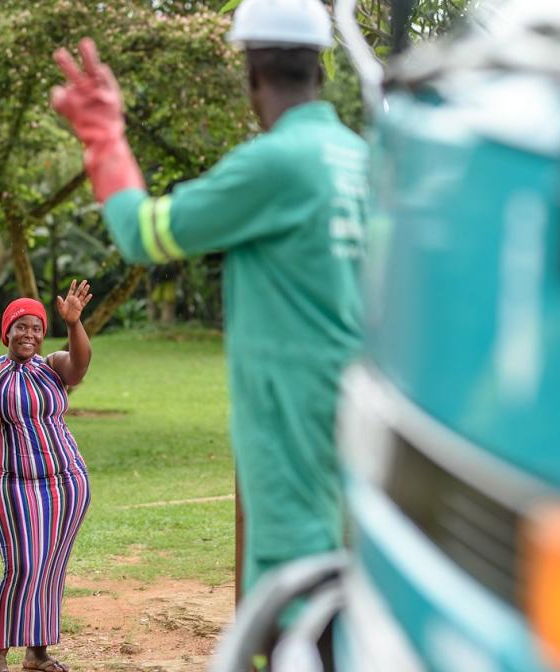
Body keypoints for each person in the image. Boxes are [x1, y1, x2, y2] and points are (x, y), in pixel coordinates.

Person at [50, 0, 367, 595]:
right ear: (320, 67)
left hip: (293, 422)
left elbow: (141, 234)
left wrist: (103, 136)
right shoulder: (360, 159)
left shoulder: (275, 165)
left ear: (251, 73)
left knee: (294, 609)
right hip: (360, 414)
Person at [0, 281, 95, 672]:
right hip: (12, 483)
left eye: (35, 327)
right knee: (22, 565)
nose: (28, 334)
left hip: (66, 482)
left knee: (50, 566)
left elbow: (80, 365)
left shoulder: (52, 367)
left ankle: (38, 650)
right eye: (20, 327)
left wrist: (74, 322)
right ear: (6, 333)